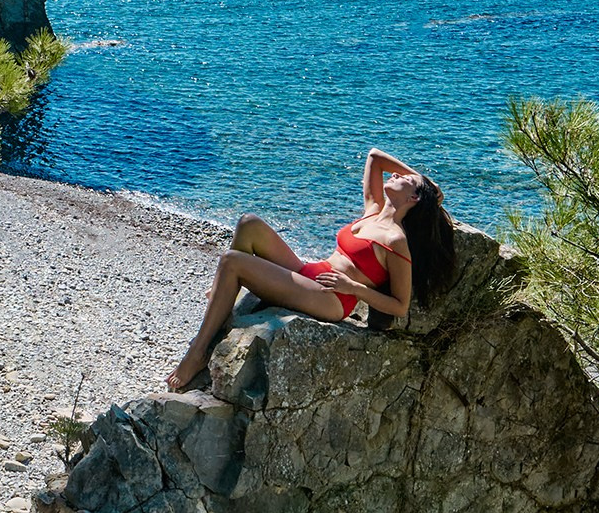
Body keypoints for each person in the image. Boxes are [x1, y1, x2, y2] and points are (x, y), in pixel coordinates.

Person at [166, 145, 457, 394]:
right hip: (312, 272)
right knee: (248, 223)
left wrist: (354, 289)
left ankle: (198, 351)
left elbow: (400, 305)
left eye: (404, 179)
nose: (395, 174)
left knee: (232, 261)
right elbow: (374, 156)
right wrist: (425, 182)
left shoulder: (396, 240)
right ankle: (225, 295)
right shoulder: (373, 209)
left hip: (332, 297)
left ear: (413, 199)